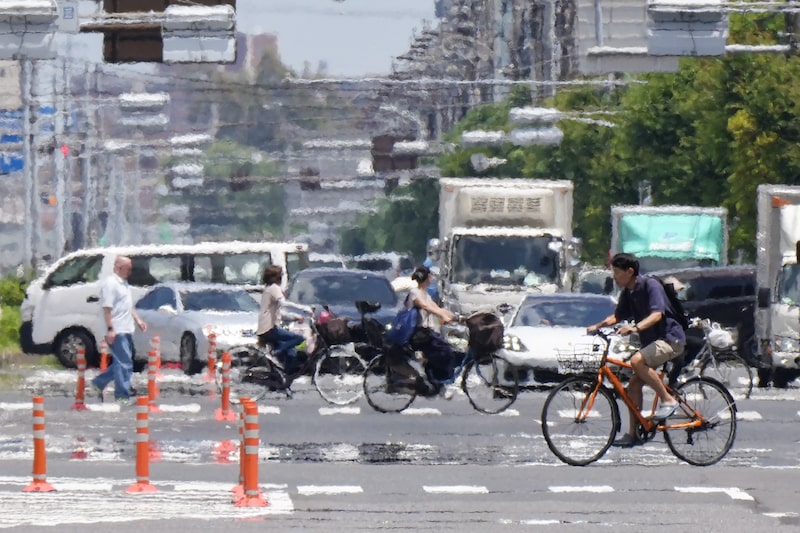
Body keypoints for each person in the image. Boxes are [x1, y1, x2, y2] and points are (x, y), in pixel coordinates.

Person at [586, 253, 686, 448]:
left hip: (670, 339)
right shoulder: (628, 292)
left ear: (629, 271)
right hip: (653, 342)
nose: (614, 276)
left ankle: (668, 400)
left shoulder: (650, 285)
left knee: (636, 361)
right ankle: (634, 434)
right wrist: (597, 326)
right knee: (632, 386)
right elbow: (617, 316)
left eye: (616, 271)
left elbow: (657, 314)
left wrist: (635, 328)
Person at [92, 255, 147, 405]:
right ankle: (122, 396)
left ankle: (98, 383)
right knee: (125, 363)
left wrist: (138, 320)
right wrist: (110, 329)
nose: (130, 271)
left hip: (127, 328)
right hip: (117, 328)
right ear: (118, 267)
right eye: (127, 268)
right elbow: (107, 308)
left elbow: (128, 306)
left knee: (122, 362)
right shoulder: (110, 284)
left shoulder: (124, 284)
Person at [406, 266, 458, 384]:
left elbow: (437, 308)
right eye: (430, 276)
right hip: (417, 334)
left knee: (447, 349)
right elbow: (426, 307)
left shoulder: (426, 294)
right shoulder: (415, 293)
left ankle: (434, 378)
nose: (432, 279)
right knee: (444, 351)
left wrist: (457, 318)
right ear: (425, 277)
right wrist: (443, 316)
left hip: (425, 333)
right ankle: (438, 380)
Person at [257, 265, 304, 374]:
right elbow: (284, 303)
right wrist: (304, 308)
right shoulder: (274, 288)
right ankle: (275, 352)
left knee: (291, 353)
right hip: (269, 328)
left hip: (266, 327)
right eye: (281, 275)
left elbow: (278, 312)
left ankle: (283, 380)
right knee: (299, 338)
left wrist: (294, 317)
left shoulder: (268, 289)